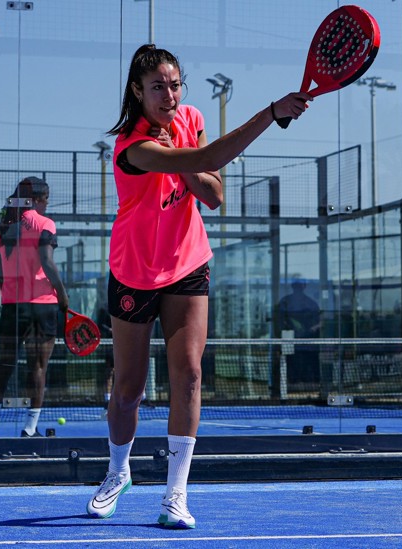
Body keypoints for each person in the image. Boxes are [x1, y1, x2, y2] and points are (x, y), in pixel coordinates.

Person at [86, 44, 310, 528]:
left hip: (188, 262)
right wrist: (271, 113)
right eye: (156, 87)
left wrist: (183, 160)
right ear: (136, 92)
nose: (169, 95)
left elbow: (214, 194)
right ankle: (117, 472)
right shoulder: (131, 147)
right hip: (134, 270)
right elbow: (208, 159)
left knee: (188, 372)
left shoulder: (190, 116)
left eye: (174, 83)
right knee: (129, 389)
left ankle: (175, 494)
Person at [0, 177, 69, 438]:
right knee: (38, 367)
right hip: (43, 306)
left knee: (3, 364)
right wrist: (63, 295)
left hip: (12, 305)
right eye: (46, 199)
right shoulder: (45, 223)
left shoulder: (3, 226)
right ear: (37, 200)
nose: (47, 204)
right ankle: (30, 429)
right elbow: (47, 261)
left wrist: (7, 288)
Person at [278, 280, 321, 385]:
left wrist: (310, 331)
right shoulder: (285, 302)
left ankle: (306, 386)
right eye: (297, 285)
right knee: (294, 371)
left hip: (308, 346)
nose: (298, 287)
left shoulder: (311, 304)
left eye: (299, 285)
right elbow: (279, 322)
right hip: (293, 345)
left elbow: (319, 323)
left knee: (306, 371)